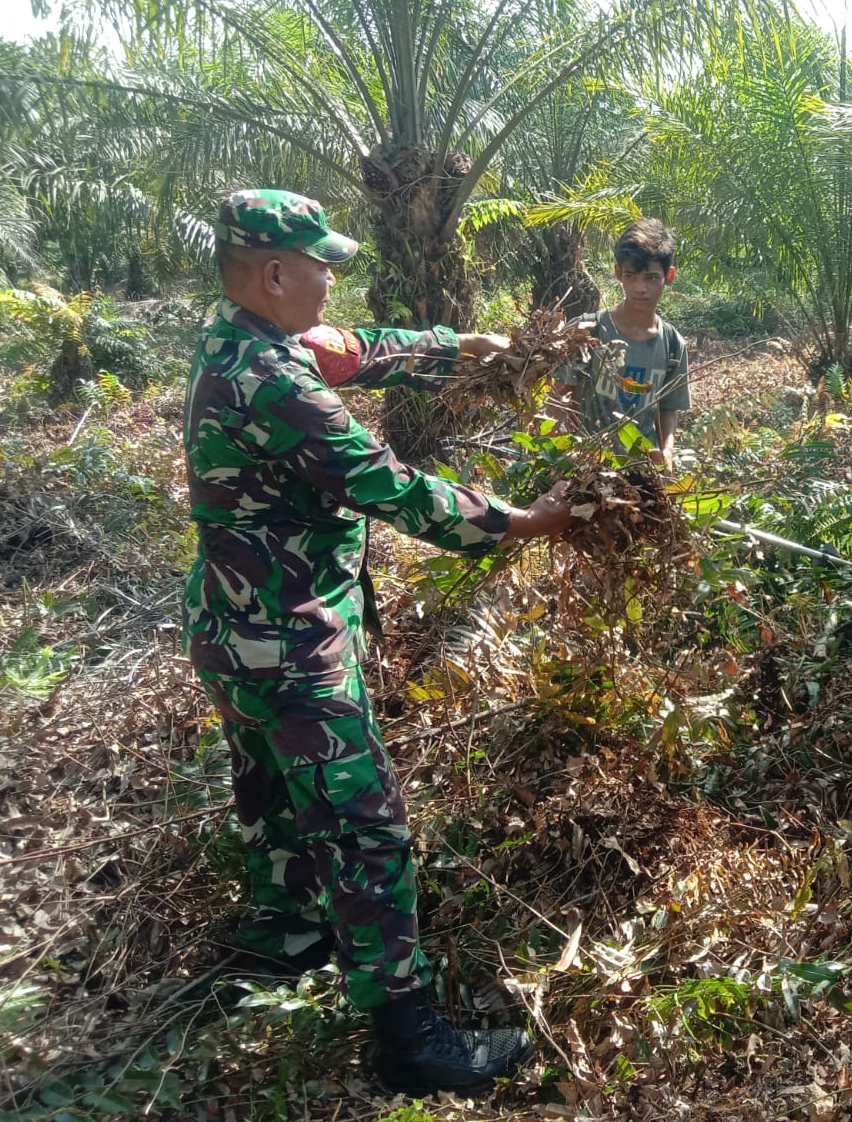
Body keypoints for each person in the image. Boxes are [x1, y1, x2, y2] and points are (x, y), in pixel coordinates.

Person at [183, 189, 569, 1095]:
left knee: (274, 792)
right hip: (288, 644)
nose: (330, 278)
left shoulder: (241, 337)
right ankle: (409, 1039)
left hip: (232, 633)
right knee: (365, 826)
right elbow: (385, 484)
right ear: (274, 273)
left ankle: (284, 941)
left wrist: (465, 345)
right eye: (319, 264)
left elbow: (359, 347)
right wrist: (523, 523)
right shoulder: (271, 381)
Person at [551, 218, 691, 467]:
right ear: (619, 273)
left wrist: (667, 452)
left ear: (668, 275)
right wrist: (562, 460)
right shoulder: (586, 331)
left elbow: (668, 409)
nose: (640, 288)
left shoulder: (672, 344)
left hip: (641, 474)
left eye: (651, 277)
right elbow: (558, 401)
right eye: (631, 276)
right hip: (585, 468)